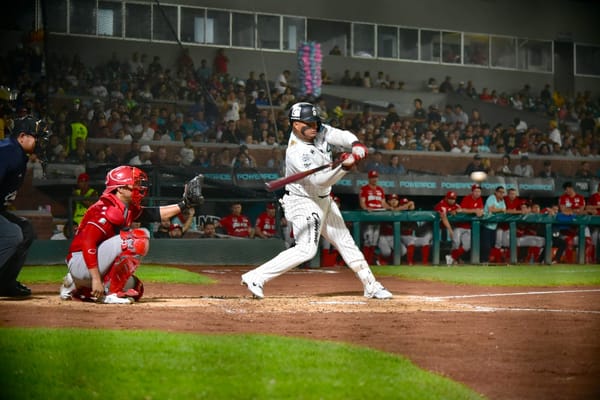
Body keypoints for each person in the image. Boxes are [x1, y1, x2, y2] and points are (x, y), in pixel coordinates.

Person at [241, 102, 392, 299]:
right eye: (309, 124)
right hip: (303, 201)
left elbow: (340, 135)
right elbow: (320, 181)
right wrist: (344, 167)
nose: (314, 127)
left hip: (324, 200)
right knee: (306, 249)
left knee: (345, 241)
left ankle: (371, 285)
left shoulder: (318, 130)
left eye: (316, 123)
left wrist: (355, 144)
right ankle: (256, 276)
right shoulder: (296, 153)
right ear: (296, 125)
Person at [59, 167, 204, 304]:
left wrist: (185, 204)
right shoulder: (105, 208)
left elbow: (154, 214)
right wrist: (96, 279)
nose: (138, 188)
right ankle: (111, 293)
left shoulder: (124, 207)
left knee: (136, 288)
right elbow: (88, 243)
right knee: (139, 238)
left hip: (93, 263)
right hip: (82, 261)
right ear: (120, 188)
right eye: (134, 184)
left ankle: (76, 286)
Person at [0, 116, 50, 297]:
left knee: (26, 229)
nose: (39, 141)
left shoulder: (17, 153)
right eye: (36, 136)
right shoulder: (7, 151)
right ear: (22, 136)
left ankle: (5, 284)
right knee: (12, 234)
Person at [446, 184, 484, 265]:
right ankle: (454, 260)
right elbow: (461, 210)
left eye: (479, 191)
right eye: (476, 191)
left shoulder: (480, 199)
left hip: (468, 226)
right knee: (456, 244)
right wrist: (474, 211)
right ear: (472, 192)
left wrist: (479, 212)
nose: (478, 193)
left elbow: (480, 211)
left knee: (467, 246)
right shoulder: (467, 198)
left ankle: (451, 257)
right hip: (459, 226)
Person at [359, 170, 391, 265]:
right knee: (367, 241)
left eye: (375, 177)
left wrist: (389, 207)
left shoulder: (380, 189)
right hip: (368, 217)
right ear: (369, 178)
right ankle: (364, 261)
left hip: (378, 216)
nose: (374, 179)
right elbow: (362, 202)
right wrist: (366, 208)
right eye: (372, 177)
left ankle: (370, 261)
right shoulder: (364, 189)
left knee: (374, 241)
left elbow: (383, 203)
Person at [481, 186, 506, 263]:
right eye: (500, 192)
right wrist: (500, 209)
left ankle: (489, 260)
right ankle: (483, 261)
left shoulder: (502, 201)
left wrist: (498, 210)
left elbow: (504, 210)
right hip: (485, 225)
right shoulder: (492, 197)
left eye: (503, 192)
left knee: (492, 244)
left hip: (494, 226)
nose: (501, 193)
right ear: (496, 192)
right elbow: (491, 209)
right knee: (486, 245)